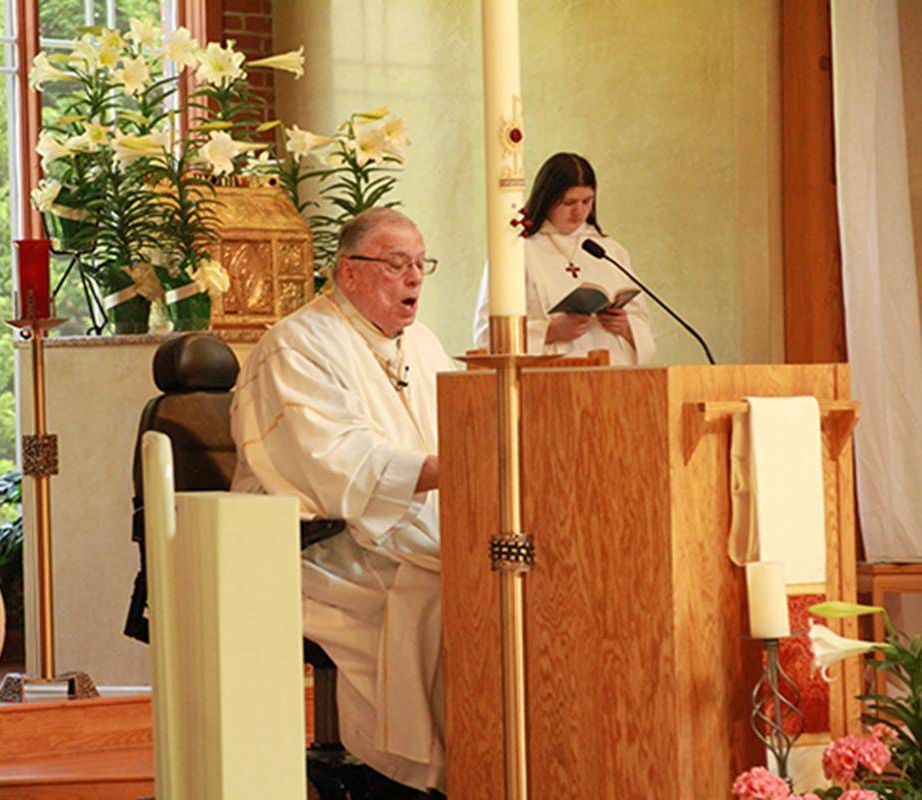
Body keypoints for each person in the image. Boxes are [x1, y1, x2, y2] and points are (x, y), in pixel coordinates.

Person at [231, 207, 455, 795]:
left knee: (492, 578)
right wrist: (437, 470)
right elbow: (332, 462)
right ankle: (409, 772)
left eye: (419, 264)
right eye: (395, 263)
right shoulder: (298, 344)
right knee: (436, 595)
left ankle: (486, 758)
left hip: (405, 532)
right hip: (317, 545)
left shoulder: (423, 345)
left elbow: (464, 429)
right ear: (348, 273)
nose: (413, 278)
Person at [473, 152, 656, 364]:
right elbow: (486, 336)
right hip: (549, 381)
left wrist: (625, 328)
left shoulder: (611, 252)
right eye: (569, 202)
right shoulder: (515, 253)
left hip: (613, 379)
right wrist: (551, 332)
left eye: (587, 201)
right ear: (547, 198)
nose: (579, 212)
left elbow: (645, 329)